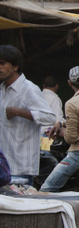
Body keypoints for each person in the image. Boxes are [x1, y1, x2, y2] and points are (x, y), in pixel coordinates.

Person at [0, 45, 57, 183]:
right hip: (4, 166)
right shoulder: (2, 89)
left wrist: (19, 112)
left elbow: (50, 117)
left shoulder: (28, 89)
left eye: (2, 63)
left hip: (21, 167)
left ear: (15, 66)